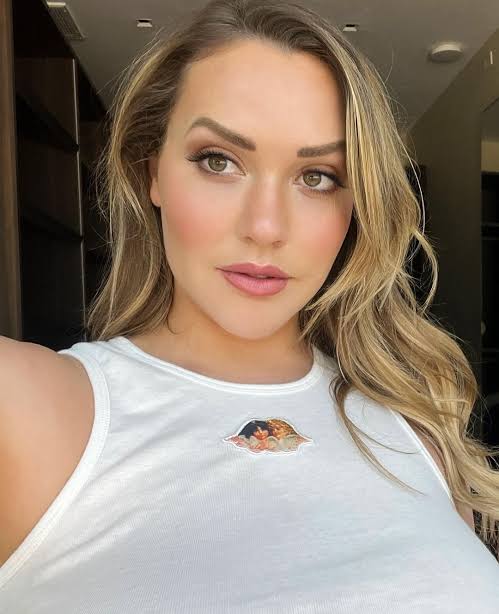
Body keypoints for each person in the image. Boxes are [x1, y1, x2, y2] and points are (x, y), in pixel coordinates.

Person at [1, 0, 498, 611]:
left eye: (317, 176)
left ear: (356, 205)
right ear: (152, 172)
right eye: (219, 162)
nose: (265, 227)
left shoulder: (417, 421)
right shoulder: (22, 409)